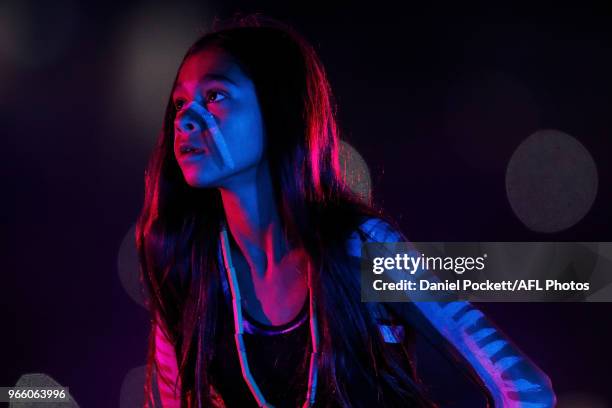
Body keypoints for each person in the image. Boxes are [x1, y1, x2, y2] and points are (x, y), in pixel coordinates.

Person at [136, 14, 556, 408]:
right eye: (179, 104)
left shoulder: (364, 248)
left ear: (278, 107)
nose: (186, 119)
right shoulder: (185, 266)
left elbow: (526, 388)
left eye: (214, 96)